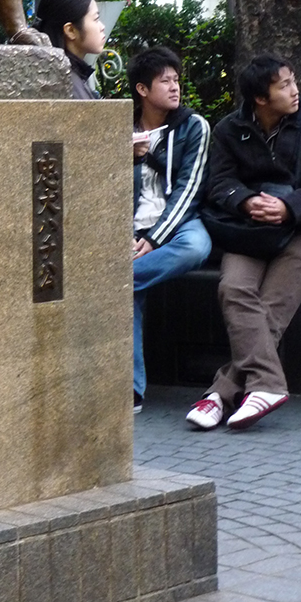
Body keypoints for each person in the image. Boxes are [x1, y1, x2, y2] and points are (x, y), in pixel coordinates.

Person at [186, 55, 301, 431]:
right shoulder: (228, 130)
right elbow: (218, 183)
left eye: (293, 81)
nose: (295, 90)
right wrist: (246, 200)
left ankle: (220, 395)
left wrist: (289, 207)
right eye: (283, 85)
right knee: (233, 290)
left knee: (267, 311)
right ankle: (265, 385)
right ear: (260, 97)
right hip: (247, 232)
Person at [130, 47, 211, 414]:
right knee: (128, 295)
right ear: (142, 89)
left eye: (177, 79)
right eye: (166, 81)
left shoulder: (194, 127)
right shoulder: (121, 125)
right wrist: (126, 156)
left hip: (178, 225)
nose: (175, 87)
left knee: (196, 247)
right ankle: (130, 390)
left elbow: (189, 188)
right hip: (129, 226)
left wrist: (154, 238)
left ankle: (120, 277)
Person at [33, 0, 107, 98]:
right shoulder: (67, 85)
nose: (102, 27)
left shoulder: (58, 76)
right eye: (96, 19)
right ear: (70, 30)